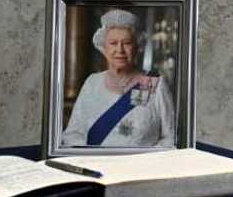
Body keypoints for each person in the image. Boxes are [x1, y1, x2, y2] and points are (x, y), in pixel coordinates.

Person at [61, 9, 176, 148]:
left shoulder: (156, 84)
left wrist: (144, 162)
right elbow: (73, 134)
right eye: (113, 43)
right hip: (97, 165)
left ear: (137, 47)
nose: (120, 50)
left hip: (140, 167)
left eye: (126, 43)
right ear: (104, 47)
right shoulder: (92, 82)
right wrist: (90, 158)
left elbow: (171, 137)